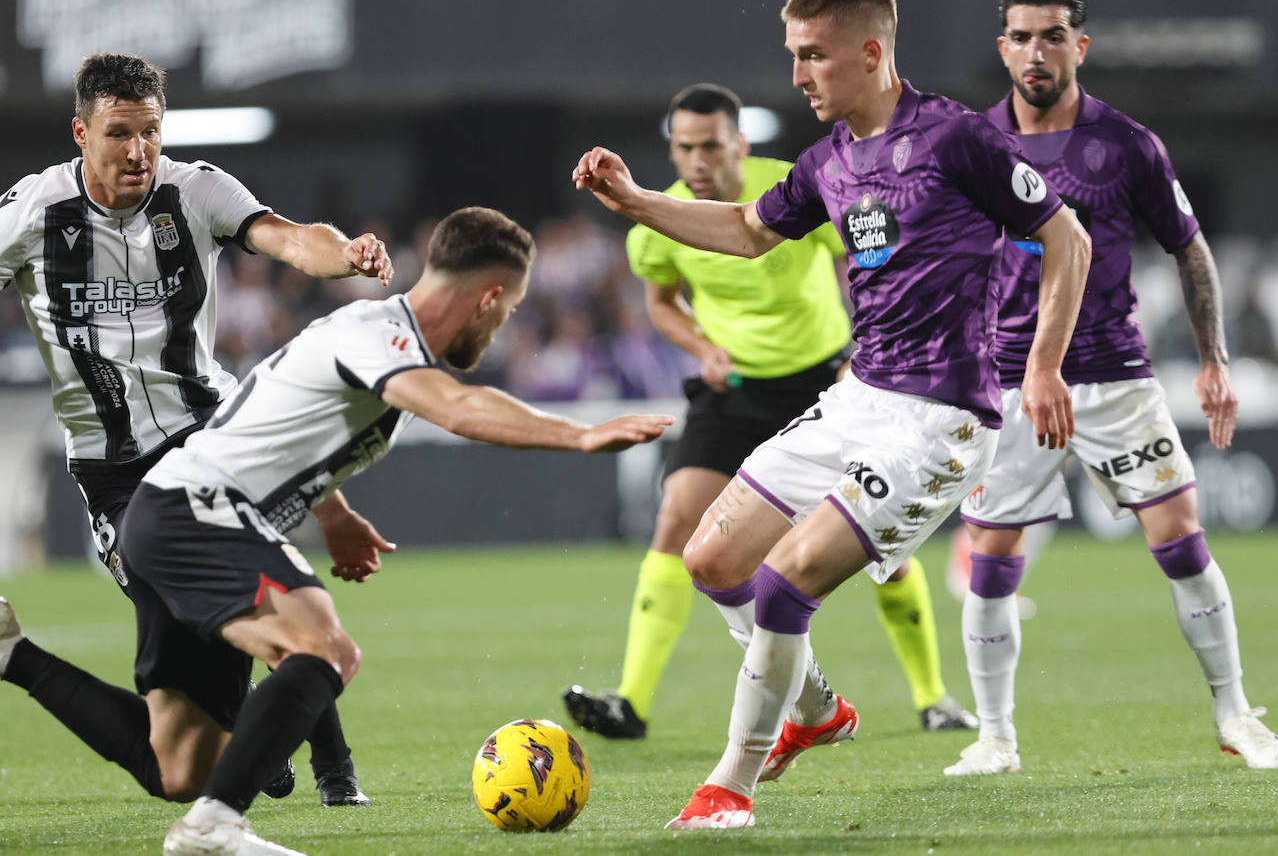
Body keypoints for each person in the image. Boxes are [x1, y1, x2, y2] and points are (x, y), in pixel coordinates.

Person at [573, 0, 1091, 828]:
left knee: (782, 585)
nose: (799, 75)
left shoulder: (955, 138)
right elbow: (745, 232)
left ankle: (727, 789)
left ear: (871, 52)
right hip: (858, 399)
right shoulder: (828, 161)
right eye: (793, 56)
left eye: (812, 56)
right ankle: (816, 711)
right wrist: (634, 199)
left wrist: (1042, 366)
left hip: (943, 418)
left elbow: (1063, 236)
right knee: (710, 562)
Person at [1, 206, 673, 855]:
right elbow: (461, 409)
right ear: (490, 296)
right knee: (325, 648)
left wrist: (337, 512)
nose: (504, 323)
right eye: (511, 309)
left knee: (177, 766)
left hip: (169, 515)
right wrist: (582, 435)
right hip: (196, 512)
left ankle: (12, 656)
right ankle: (215, 827)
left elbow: (284, 426)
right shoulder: (382, 338)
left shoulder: (373, 334)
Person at [0, 52, 393, 806]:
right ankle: (251, 729)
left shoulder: (198, 190)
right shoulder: (30, 212)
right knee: (194, 678)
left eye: (150, 131)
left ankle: (331, 773)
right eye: (119, 133)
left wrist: (341, 252)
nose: (139, 151)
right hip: (113, 474)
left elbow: (286, 236)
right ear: (81, 133)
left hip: (212, 441)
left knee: (256, 593)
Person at [944, 0, 1278, 777]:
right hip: (1009, 383)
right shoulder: (972, 145)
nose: (1038, 51)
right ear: (1003, 48)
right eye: (1023, 36)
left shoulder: (1126, 143)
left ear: (1080, 45)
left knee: (1181, 543)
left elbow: (1187, 244)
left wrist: (1214, 358)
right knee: (992, 560)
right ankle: (995, 736)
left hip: (1113, 375)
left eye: (1054, 34)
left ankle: (1235, 713)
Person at [563, 82, 976, 741]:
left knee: (887, 548)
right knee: (676, 522)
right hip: (736, 390)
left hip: (825, 380)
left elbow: (863, 268)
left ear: (739, 144)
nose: (696, 161)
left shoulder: (788, 187)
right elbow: (662, 302)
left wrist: (859, 355)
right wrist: (703, 346)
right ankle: (631, 703)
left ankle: (934, 697)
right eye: (683, 147)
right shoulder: (661, 222)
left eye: (710, 146)